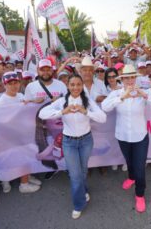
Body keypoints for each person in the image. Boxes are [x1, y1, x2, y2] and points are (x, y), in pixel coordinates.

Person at [39, 74, 106, 219]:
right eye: (72, 84)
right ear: (68, 86)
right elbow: (43, 114)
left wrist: (86, 111)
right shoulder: (62, 101)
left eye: (78, 84)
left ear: (82, 86)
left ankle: (84, 190)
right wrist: (62, 112)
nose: (75, 87)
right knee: (75, 175)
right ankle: (78, 204)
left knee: (82, 171)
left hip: (86, 141)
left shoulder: (87, 101)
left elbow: (103, 118)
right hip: (69, 142)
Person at [102, 64, 151, 213]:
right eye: (126, 78)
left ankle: (140, 194)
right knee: (129, 161)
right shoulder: (116, 93)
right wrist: (122, 97)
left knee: (139, 167)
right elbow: (105, 107)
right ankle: (131, 177)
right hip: (123, 136)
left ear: (135, 78)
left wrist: (145, 95)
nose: (129, 81)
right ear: (122, 80)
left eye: (132, 77)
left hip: (140, 136)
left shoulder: (144, 92)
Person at [0, 72, 41, 193]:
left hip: (24, 132)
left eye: (15, 82)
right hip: (13, 135)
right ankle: (24, 184)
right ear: (5, 85)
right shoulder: (2, 101)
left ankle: (27, 175)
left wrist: (32, 102)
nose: (13, 86)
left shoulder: (20, 95)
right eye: (10, 84)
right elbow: (2, 121)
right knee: (22, 157)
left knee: (28, 156)